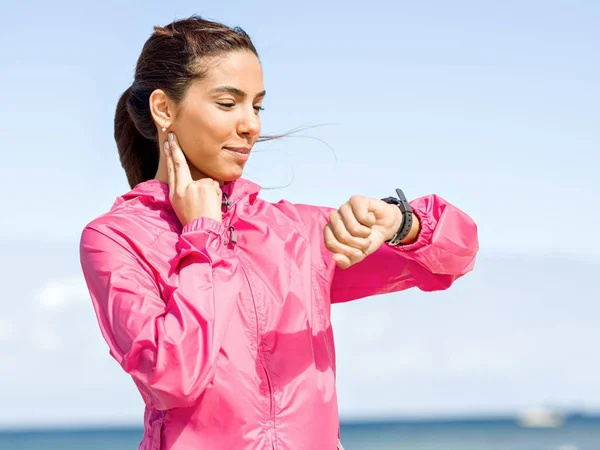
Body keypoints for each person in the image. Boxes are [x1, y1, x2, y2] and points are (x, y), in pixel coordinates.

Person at [79, 15, 479, 450]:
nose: (251, 124)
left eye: (258, 105)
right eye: (228, 103)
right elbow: (174, 377)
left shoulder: (295, 233)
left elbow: (452, 261)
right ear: (164, 109)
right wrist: (202, 231)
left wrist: (402, 224)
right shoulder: (117, 239)